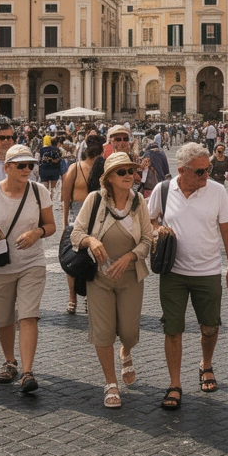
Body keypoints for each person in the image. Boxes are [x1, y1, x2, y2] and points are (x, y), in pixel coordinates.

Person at [146, 142, 228, 411]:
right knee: (172, 329)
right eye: (200, 172)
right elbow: (151, 220)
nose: (206, 175)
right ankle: (175, 383)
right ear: (182, 171)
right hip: (172, 272)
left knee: (209, 326)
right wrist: (157, 232)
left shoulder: (217, 192)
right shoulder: (164, 191)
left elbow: (227, 231)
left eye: (208, 169)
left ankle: (206, 364)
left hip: (208, 271)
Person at [72, 151, 156, 409]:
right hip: (99, 277)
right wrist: (91, 240)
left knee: (129, 332)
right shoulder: (94, 200)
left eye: (131, 171)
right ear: (108, 178)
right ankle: (110, 383)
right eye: (122, 172)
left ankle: (126, 351)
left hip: (131, 275)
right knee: (103, 331)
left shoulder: (139, 201)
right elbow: (76, 234)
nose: (129, 176)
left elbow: (147, 239)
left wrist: (130, 257)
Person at [0, 145, 55, 392]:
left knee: (28, 315)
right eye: (21, 165)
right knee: (3, 317)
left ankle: (27, 372)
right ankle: (10, 362)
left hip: (32, 262)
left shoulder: (39, 192)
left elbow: (50, 226)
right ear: (6, 167)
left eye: (30, 165)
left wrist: (37, 232)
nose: (27, 169)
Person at [62, 134, 105, 314]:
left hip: (85, 216)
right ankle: (83, 297)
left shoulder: (77, 168)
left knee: (79, 260)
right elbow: (66, 198)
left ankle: (74, 298)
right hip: (83, 217)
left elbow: (65, 200)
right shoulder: (77, 168)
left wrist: (65, 223)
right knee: (86, 260)